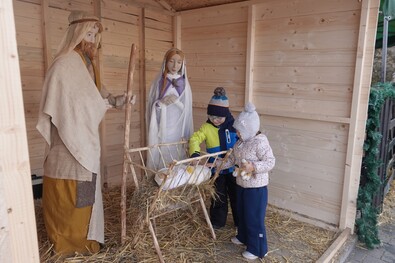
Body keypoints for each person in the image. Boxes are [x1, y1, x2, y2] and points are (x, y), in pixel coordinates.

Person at [36, 10, 133, 255]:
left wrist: (118, 100)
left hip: (85, 144)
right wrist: (100, 105)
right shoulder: (64, 64)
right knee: (68, 198)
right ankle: (68, 247)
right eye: (88, 33)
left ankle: (88, 241)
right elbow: (68, 106)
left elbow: (98, 95)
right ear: (76, 34)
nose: (92, 40)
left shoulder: (87, 64)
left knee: (85, 194)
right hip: (66, 147)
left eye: (95, 35)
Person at [216, 102, 275, 260]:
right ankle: (243, 236)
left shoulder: (260, 142)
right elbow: (232, 160)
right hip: (241, 185)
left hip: (256, 188)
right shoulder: (239, 143)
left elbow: (270, 162)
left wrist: (253, 167)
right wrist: (217, 165)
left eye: (240, 130)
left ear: (249, 130)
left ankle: (258, 248)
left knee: (253, 217)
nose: (237, 132)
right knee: (241, 212)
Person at [189, 87, 238, 229]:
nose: (215, 120)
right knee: (218, 196)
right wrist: (195, 154)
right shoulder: (206, 127)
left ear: (226, 114)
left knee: (236, 196)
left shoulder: (234, 126)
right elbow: (194, 139)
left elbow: (241, 143)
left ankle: (240, 222)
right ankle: (217, 221)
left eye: (219, 117)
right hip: (215, 170)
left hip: (233, 168)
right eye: (211, 116)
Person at [146, 48, 193, 169]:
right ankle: (162, 177)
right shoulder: (159, 82)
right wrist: (160, 103)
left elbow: (186, 109)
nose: (175, 65)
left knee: (177, 150)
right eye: (171, 61)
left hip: (178, 126)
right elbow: (153, 104)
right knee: (163, 149)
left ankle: (177, 178)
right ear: (166, 62)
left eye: (179, 62)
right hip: (163, 125)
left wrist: (176, 102)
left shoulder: (184, 83)